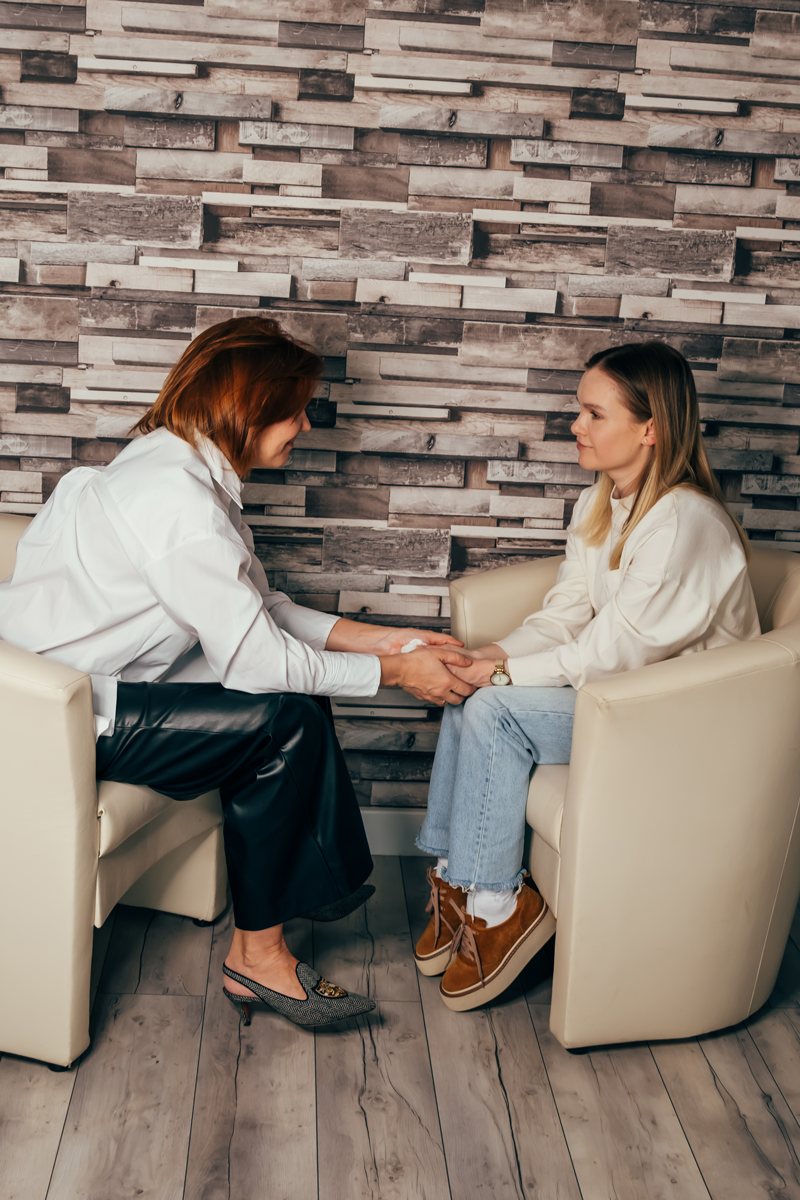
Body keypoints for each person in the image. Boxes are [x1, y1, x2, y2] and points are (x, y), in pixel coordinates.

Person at [0, 316, 476, 1029]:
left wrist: (392, 642)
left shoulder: (184, 474)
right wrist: (398, 677)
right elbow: (255, 659)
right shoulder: (177, 501)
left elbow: (262, 607)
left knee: (299, 701)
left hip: (92, 692)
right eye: (295, 410)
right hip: (51, 713)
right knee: (284, 717)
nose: (306, 425)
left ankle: (282, 925)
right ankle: (259, 957)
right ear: (248, 409)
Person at [413, 340, 761, 1012]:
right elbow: (566, 616)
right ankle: (458, 880)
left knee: (493, 706)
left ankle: (496, 907)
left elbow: (616, 651)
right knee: (470, 691)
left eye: (594, 414)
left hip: (681, 721)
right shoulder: (603, 502)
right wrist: (488, 658)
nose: (576, 425)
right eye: (581, 411)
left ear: (651, 428)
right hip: (620, 703)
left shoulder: (685, 521)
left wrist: (502, 680)